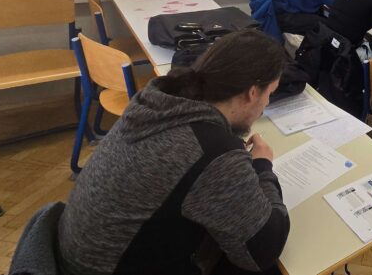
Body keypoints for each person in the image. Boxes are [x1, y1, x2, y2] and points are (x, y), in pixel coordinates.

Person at [58, 31, 289, 275]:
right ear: (252, 93)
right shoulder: (213, 151)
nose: (266, 105)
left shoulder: (157, 100)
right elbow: (263, 251)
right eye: (269, 94)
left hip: (78, 256)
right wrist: (262, 165)